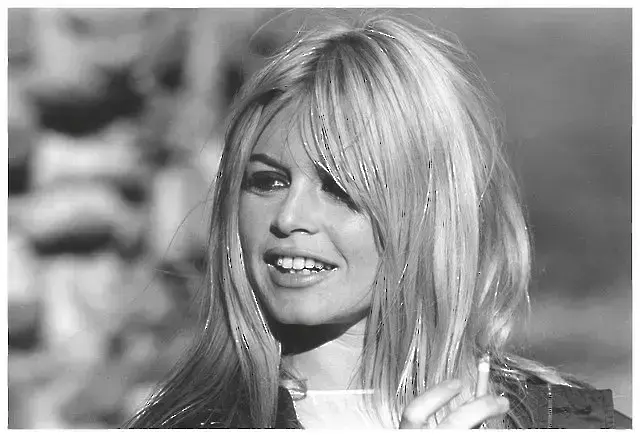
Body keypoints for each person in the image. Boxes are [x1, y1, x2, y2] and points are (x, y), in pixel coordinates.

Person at [125, 14, 630, 429]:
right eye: (268, 182)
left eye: (338, 187)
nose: (289, 217)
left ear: (429, 211)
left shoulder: (565, 422)